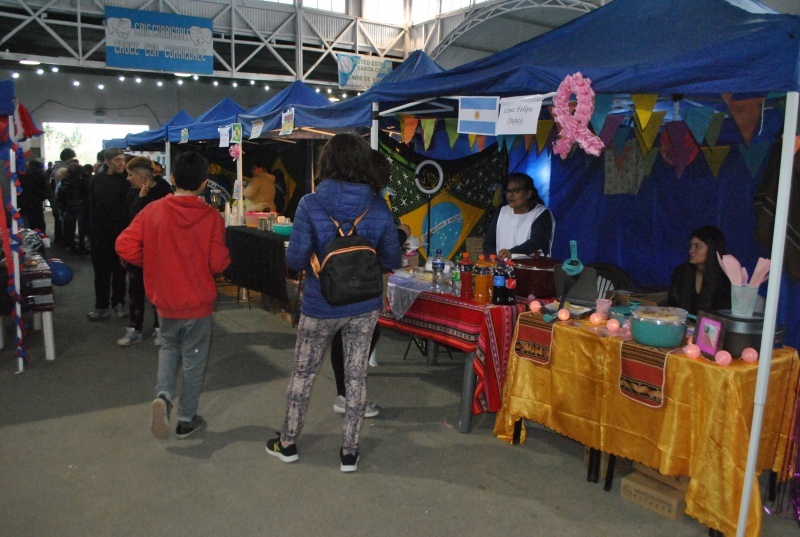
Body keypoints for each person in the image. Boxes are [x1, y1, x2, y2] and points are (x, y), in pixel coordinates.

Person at [267, 133, 401, 472]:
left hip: (320, 303)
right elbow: (391, 258)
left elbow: (296, 259)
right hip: (364, 304)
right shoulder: (378, 206)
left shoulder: (311, 203)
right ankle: (350, 452)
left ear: (327, 162)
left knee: (303, 373)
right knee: (356, 376)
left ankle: (288, 442)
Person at [116, 150, 230, 440]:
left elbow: (124, 245)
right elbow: (218, 263)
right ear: (204, 183)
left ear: (172, 178)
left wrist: (152, 259)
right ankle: (186, 419)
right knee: (194, 361)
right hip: (198, 303)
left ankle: (163, 396)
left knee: (168, 348)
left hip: (165, 299)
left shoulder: (152, 210)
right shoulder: (212, 217)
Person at [329, 150, 409, 418]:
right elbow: (390, 256)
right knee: (362, 340)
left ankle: (344, 395)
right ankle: (351, 401)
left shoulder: (325, 201)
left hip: (332, 286)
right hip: (364, 288)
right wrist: (401, 234)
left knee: (340, 340)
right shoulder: (377, 207)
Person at [116, 156, 173, 347]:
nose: (127, 178)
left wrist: (144, 198)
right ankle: (135, 328)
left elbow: (156, 222)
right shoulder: (131, 192)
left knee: (158, 292)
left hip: (157, 252)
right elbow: (128, 220)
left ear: (142, 177)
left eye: (131, 175)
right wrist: (124, 251)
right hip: (136, 252)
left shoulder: (164, 192)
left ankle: (160, 329)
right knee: (135, 291)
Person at [87, 147, 130, 320]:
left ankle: (118, 304)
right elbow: (91, 206)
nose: (121, 163)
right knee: (101, 273)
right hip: (100, 234)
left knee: (120, 272)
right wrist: (89, 232)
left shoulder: (128, 181)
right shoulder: (96, 180)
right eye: (117, 160)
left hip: (121, 234)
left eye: (123, 159)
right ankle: (101, 307)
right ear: (107, 161)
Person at [483, 172, 555, 260]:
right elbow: (489, 242)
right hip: (502, 267)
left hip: (531, 268)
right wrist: (494, 259)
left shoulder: (541, 213)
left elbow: (536, 242)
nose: (510, 195)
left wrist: (511, 252)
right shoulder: (502, 211)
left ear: (528, 193)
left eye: (515, 191)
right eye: (508, 191)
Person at [667, 225, 732, 315]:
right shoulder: (680, 272)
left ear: (712, 249)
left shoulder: (725, 280)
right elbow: (672, 306)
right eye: (691, 245)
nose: (691, 250)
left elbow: (723, 315)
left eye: (697, 246)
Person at [57, 162, 89, 254]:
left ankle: (72, 246)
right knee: (82, 228)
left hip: (68, 206)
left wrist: (62, 208)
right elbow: (85, 194)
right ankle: (82, 246)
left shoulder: (64, 181)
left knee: (70, 228)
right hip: (81, 206)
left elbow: (61, 195)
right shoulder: (82, 181)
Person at [18, 160, 52, 233]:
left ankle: (31, 234)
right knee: (39, 219)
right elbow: (45, 189)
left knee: (29, 219)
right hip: (37, 200)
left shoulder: (24, 174)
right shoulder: (41, 175)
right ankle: (41, 235)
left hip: (26, 200)